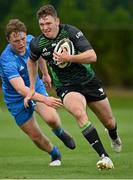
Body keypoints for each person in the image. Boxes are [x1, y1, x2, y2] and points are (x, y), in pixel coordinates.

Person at [25, 4, 122, 170]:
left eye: (48, 23)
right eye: (42, 25)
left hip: (89, 81)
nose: (45, 28)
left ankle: (113, 135)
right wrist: (34, 86)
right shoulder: (37, 43)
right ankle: (104, 156)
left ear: (57, 21)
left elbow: (92, 56)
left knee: (109, 121)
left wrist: (68, 57)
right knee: (79, 113)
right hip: (66, 86)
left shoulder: (70, 32)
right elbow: (32, 61)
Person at [0, 19, 76, 166]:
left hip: (35, 85)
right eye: (16, 41)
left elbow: (39, 56)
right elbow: (21, 89)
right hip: (16, 98)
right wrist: (45, 99)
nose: (21, 43)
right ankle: (54, 153)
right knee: (35, 136)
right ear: (8, 40)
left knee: (51, 119)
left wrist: (45, 74)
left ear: (26, 35)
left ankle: (59, 132)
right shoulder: (6, 60)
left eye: (22, 38)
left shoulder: (31, 41)